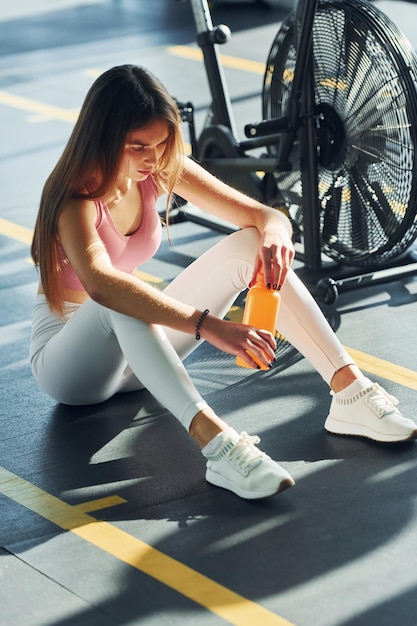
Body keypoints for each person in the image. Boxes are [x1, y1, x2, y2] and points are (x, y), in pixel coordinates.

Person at [30, 64, 417, 501]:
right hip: (72, 366)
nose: (152, 158)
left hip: (140, 353)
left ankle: (350, 393)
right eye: (137, 146)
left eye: (160, 144)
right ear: (101, 136)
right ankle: (219, 446)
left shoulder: (157, 169)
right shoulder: (74, 199)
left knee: (251, 243)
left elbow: (263, 216)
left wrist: (275, 236)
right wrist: (209, 325)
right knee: (119, 298)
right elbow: (102, 285)